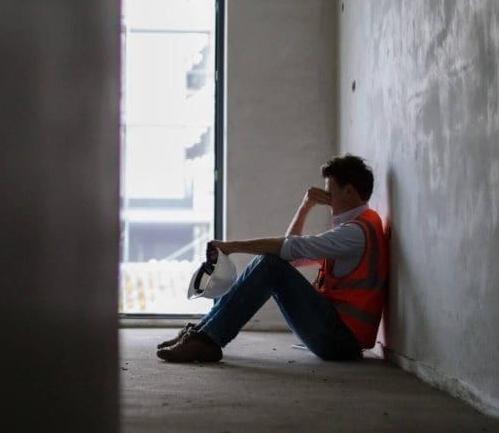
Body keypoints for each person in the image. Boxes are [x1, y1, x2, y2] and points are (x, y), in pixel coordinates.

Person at [156, 154, 389, 363]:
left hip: (340, 340)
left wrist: (232, 247)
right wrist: (305, 206)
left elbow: (289, 248)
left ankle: (206, 340)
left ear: (349, 191)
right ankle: (202, 332)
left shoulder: (355, 233)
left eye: (330, 190)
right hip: (337, 334)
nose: (326, 196)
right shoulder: (358, 226)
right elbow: (292, 254)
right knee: (273, 263)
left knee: (270, 265)